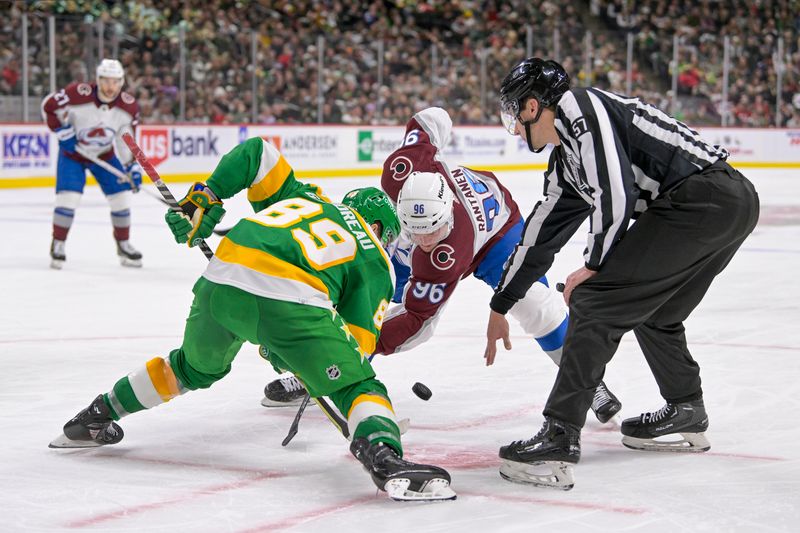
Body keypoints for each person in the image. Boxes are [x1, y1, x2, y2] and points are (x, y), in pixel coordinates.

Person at [49, 137, 456, 502]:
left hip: (222, 277)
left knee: (192, 367)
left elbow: (257, 152)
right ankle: (384, 456)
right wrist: (292, 354)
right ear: (383, 228)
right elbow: (357, 349)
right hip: (291, 299)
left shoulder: (307, 197)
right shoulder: (377, 260)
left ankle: (96, 415)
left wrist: (207, 196)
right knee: (358, 386)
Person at [484, 58, 760, 490]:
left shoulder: (580, 108)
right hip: (728, 204)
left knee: (595, 302)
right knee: (656, 311)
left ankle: (560, 433)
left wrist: (593, 267)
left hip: (705, 198)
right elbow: (539, 238)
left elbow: (616, 195)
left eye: (514, 116)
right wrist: (501, 302)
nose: (515, 130)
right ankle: (686, 407)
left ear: (534, 106)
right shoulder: (566, 163)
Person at [262, 107, 622, 427]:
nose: (425, 241)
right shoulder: (402, 171)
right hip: (433, 225)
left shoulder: (443, 254)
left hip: (497, 235)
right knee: (369, 290)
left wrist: (357, 346)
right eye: (416, 232)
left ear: (446, 212)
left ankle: (588, 381)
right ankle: (319, 360)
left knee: (534, 304)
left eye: (433, 232)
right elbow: (431, 118)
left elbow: (418, 324)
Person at [41, 58, 143, 269]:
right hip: (73, 155)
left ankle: (123, 245)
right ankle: (58, 244)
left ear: (122, 82)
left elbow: (126, 140)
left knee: (121, 198)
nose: (110, 87)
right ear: (97, 80)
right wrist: (61, 130)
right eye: (105, 81)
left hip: (104, 155)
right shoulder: (78, 93)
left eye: (115, 82)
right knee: (68, 199)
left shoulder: (128, 106)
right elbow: (48, 106)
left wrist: (130, 166)